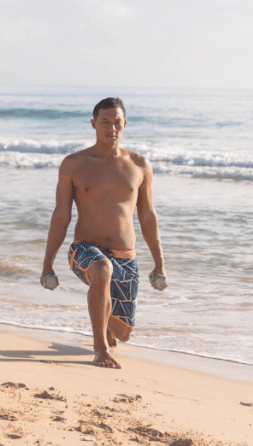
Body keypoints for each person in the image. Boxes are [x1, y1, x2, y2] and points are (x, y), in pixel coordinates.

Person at [40, 97, 167, 369]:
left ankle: (107, 326)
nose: (111, 128)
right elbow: (61, 216)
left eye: (117, 122)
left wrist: (159, 263)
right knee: (102, 270)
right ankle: (99, 349)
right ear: (93, 124)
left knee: (124, 333)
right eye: (105, 122)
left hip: (126, 256)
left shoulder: (140, 165)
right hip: (85, 250)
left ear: (125, 124)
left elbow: (147, 217)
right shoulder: (74, 164)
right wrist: (47, 264)